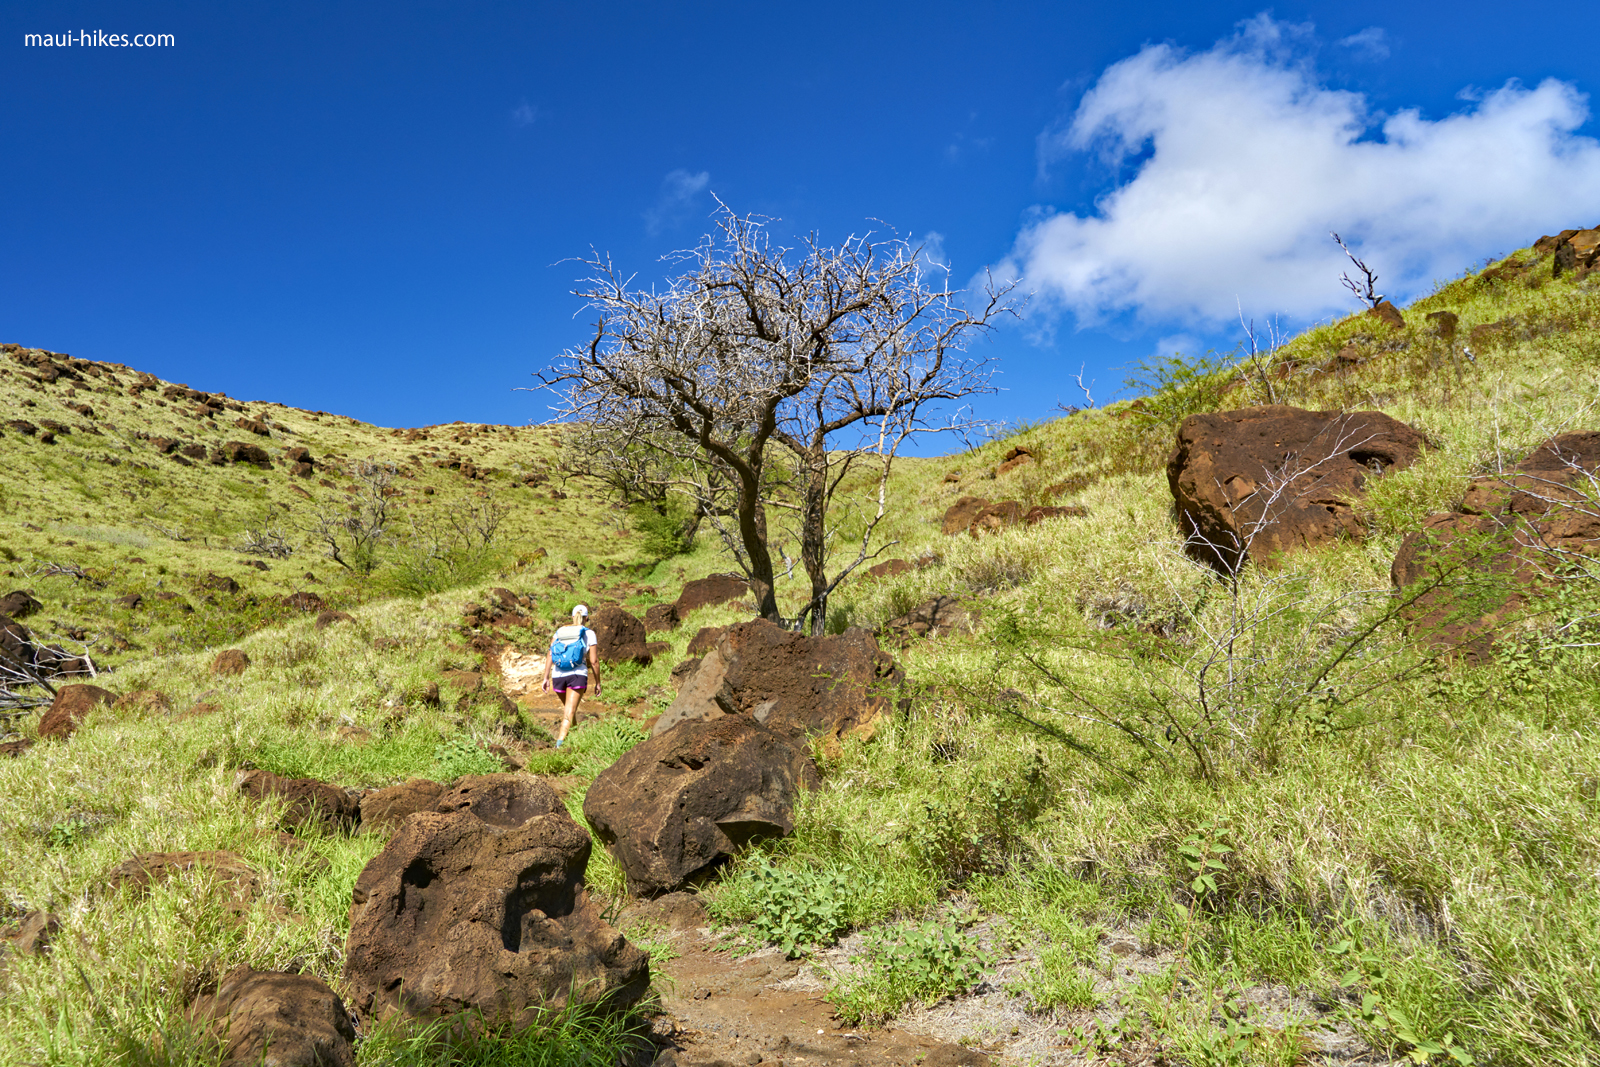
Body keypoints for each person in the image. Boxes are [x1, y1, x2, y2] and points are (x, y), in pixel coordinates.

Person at [540, 604, 599, 748]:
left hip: (558, 676)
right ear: (586, 618)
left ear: (572, 617)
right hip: (577, 675)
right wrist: (598, 683)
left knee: (568, 709)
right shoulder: (588, 633)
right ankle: (559, 745)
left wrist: (546, 677)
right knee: (569, 711)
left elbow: (550, 654)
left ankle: (575, 738)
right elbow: (594, 661)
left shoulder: (560, 631)